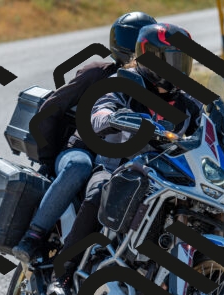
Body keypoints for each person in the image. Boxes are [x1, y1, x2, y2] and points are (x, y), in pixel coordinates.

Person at [47, 23, 204, 295]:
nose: (177, 69)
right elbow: (100, 109)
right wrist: (109, 117)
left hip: (165, 177)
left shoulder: (189, 103)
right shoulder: (124, 84)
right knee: (101, 191)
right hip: (117, 167)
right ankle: (63, 272)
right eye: (171, 61)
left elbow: (209, 131)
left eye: (182, 61)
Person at [12, 11, 158, 264]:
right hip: (82, 150)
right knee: (79, 166)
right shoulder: (97, 73)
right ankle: (34, 235)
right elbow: (50, 109)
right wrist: (48, 159)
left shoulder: (157, 87)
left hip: (126, 161)